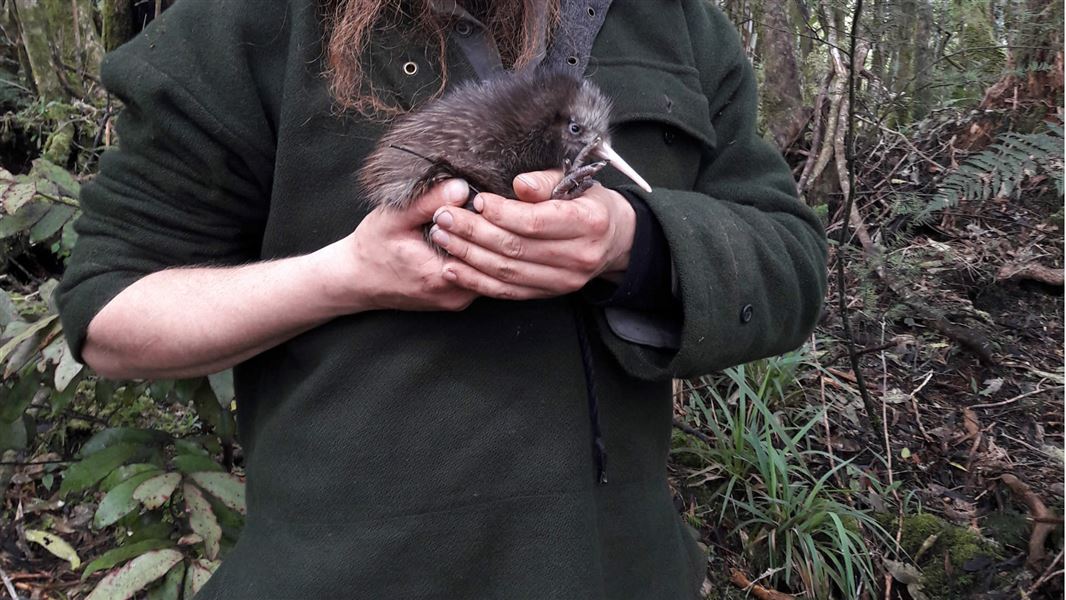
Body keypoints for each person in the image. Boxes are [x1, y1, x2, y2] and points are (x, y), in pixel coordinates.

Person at [56, 0, 827, 597]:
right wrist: (344, 276)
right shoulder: (249, 23)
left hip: (618, 572)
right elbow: (112, 315)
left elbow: (789, 262)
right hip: (345, 577)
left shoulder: (673, 22)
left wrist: (632, 243)